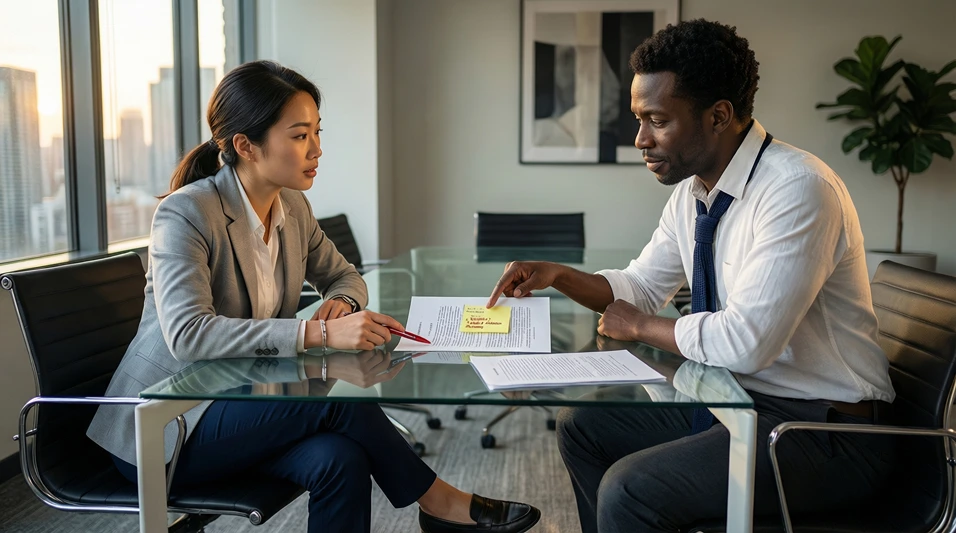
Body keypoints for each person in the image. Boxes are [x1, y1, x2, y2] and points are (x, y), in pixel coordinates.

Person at [87, 60, 540, 533]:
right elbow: (188, 335)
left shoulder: (293, 207)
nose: (317, 149)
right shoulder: (187, 214)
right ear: (245, 145)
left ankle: (441, 508)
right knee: (341, 404)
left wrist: (341, 306)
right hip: (169, 429)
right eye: (300, 135)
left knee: (339, 457)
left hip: (246, 405)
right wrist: (319, 332)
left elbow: (347, 277)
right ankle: (441, 502)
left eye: (316, 133)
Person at [486, 19, 896, 533]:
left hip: (821, 433)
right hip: (738, 402)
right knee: (584, 426)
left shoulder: (798, 190)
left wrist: (638, 327)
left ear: (719, 115)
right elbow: (639, 289)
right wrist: (557, 275)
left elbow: (745, 342)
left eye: (656, 120)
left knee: (630, 489)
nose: (640, 139)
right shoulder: (694, 194)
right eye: (639, 119)